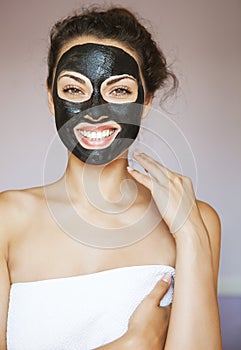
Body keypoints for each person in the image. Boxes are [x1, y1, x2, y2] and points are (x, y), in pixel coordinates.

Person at [0, 6, 222, 350]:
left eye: (119, 91)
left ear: (145, 103)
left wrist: (190, 232)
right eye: (74, 89)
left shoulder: (197, 219)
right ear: (50, 98)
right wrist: (134, 342)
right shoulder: (6, 219)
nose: (95, 111)